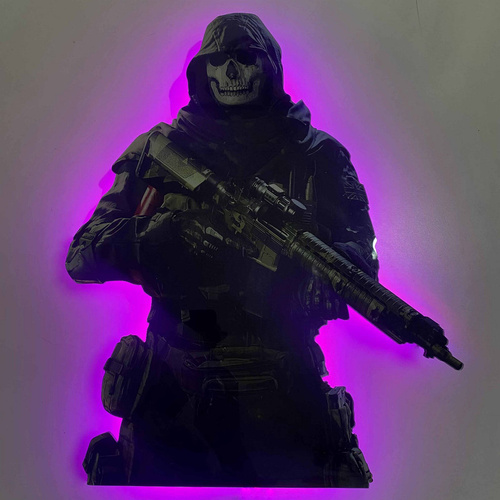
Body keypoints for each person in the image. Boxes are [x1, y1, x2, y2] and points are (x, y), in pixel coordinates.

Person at [66, 13, 379, 487]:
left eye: (245, 58)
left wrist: (330, 274)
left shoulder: (319, 155)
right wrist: (161, 235)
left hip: (285, 396)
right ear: (202, 70)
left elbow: (363, 259)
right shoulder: (161, 150)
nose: (231, 72)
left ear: (269, 66)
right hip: (172, 396)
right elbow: (82, 255)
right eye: (219, 60)